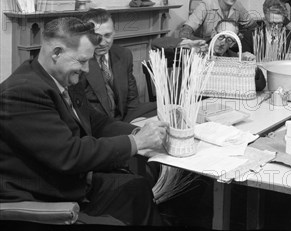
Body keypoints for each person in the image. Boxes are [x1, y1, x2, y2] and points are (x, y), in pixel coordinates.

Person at [0, 17, 167, 225]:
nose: (87, 69)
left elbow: (98, 123)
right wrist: (137, 143)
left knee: (138, 187)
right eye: (82, 61)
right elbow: (69, 155)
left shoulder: (65, 79)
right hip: (45, 199)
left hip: (71, 183)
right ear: (57, 53)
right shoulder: (22, 92)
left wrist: (140, 134)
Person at [79, 8, 156, 122]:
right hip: (99, 126)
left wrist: (133, 125)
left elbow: (132, 100)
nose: (102, 42)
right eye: (96, 36)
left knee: (166, 108)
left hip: (125, 120)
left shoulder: (124, 55)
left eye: (107, 35)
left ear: (114, 32)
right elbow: (82, 112)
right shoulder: (80, 62)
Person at [210, 19, 265, 91]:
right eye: (221, 36)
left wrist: (253, 68)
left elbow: (259, 86)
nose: (223, 43)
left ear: (232, 43)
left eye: (229, 39)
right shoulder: (196, 54)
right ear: (213, 34)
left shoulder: (234, 58)